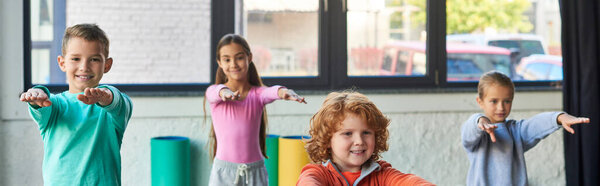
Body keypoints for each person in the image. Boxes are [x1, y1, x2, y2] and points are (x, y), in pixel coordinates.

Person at [19, 23, 132, 185]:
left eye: (94, 59)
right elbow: (41, 106)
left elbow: (119, 102)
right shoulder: (55, 105)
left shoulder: (112, 107)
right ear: (62, 62)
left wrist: (106, 96)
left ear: (106, 65)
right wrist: (38, 94)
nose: (84, 67)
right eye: (75, 59)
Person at [205, 34, 307, 186]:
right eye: (227, 59)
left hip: (255, 172)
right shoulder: (216, 94)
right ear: (219, 62)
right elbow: (214, 92)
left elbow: (270, 92)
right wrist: (224, 92)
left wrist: (283, 91)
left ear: (249, 57)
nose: (233, 64)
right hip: (224, 173)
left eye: (239, 57)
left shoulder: (257, 95)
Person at [461, 71, 590, 186]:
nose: (501, 107)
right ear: (480, 101)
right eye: (494, 101)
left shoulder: (516, 131)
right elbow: (468, 132)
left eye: (507, 101)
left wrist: (560, 117)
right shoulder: (477, 134)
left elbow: (536, 123)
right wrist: (480, 120)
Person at [297, 91, 434, 186]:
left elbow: (408, 182)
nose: (359, 141)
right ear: (327, 140)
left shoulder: (382, 174)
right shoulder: (318, 174)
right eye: (348, 133)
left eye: (366, 133)